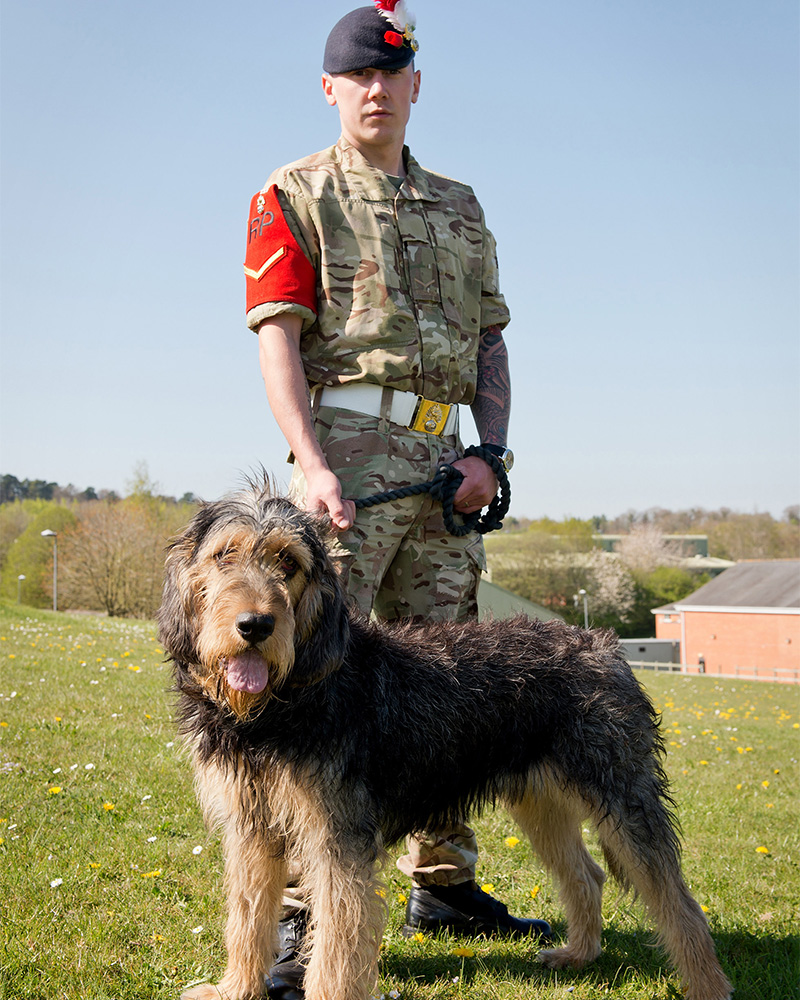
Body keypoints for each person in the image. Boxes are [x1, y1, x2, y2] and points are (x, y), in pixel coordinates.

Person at [244, 5, 550, 997]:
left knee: (450, 680)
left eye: (392, 73)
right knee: (317, 683)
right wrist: (308, 460)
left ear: (416, 85)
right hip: (344, 458)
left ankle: (442, 882)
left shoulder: (462, 206)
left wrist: (489, 454)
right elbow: (277, 336)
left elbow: (490, 340)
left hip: (442, 463)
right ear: (329, 89)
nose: (375, 89)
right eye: (354, 76)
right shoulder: (292, 193)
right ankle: (299, 922)